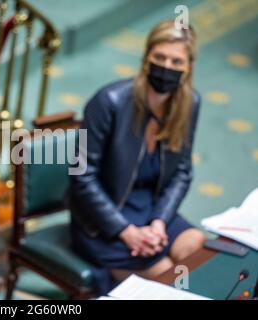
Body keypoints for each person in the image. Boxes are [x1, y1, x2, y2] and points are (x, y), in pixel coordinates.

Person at [69, 20, 206, 295]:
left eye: (176, 61)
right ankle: (113, 279)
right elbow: (81, 176)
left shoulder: (190, 103)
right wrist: (126, 231)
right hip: (101, 221)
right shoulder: (109, 101)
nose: (167, 67)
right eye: (159, 57)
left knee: (195, 243)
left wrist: (159, 222)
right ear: (146, 58)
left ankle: (124, 280)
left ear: (189, 67)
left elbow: (182, 173)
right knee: (167, 270)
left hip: (150, 210)